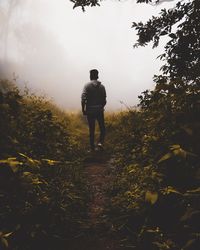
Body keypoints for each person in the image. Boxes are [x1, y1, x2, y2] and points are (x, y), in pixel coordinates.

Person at [81, 69, 106, 151]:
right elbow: (104, 100)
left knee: (92, 129)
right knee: (102, 128)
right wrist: (101, 107)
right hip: (99, 110)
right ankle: (100, 143)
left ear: (91, 76)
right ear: (97, 76)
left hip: (90, 110)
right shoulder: (102, 87)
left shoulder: (87, 86)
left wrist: (83, 110)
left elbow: (83, 99)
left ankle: (92, 147)